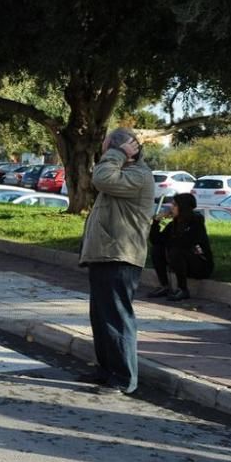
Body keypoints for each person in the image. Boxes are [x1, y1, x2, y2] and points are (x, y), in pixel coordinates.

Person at [77, 126, 154, 395]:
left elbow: (102, 178)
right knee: (101, 316)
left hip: (121, 255)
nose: (103, 154)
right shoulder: (123, 173)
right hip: (106, 254)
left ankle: (123, 378)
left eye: (108, 148)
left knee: (117, 317)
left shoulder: (138, 176)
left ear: (125, 151)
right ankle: (106, 370)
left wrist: (116, 153)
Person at [148, 192, 214, 301]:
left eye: (174, 205)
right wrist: (156, 222)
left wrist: (170, 243)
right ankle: (164, 286)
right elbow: (156, 240)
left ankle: (183, 289)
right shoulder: (173, 224)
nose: (171, 208)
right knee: (157, 249)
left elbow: (186, 243)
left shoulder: (196, 222)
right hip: (181, 262)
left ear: (183, 207)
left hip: (200, 265)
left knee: (177, 250)